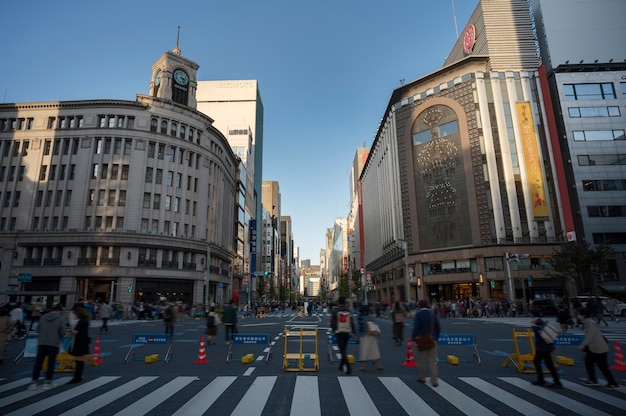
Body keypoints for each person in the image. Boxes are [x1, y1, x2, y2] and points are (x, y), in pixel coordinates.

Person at [577, 308, 619, 389]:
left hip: (599, 348)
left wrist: (582, 345)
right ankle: (593, 380)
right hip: (593, 348)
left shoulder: (590, 324)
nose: (578, 316)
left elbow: (589, 337)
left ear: (584, 315)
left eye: (580, 314)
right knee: (588, 363)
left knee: (603, 367)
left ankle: (613, 383)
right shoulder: (587, 323)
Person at [29, 304, 68, 390]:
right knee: (51, 363)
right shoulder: (61, 318)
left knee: (38, 363)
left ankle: (34, 382)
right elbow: (63, 332)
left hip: (42, 342)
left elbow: (38, 329)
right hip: (53, 343)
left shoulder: (43, 317)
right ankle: (48, 382)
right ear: (60, 311)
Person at [529, 307, 562, 388]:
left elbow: (542, 335)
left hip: (543, 347)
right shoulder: (539, 321)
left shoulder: (537, 322)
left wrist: (534, 325)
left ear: (533, 314)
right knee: (546, 363)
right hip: (545, 346)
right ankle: (551, 380)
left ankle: (544, 380)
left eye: (531, 314)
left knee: (539, 362)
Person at [412, 299, 441, 386]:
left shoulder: (418, 314)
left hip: (422, 340)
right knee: (433, 361)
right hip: (432, 339)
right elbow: (438, 327)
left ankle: (422, 377)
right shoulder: (432, 314)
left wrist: (414, 339)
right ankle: (434, 380)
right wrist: (436, 337)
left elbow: (416, 328)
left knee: (422, 360)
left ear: (419, 306)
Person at [330, 296, 357, 374]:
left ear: (338, 302)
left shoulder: (336, 311)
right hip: (347, 331)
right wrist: (354, 332)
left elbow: (333, 322)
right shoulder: (348, 311)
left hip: (339, 331)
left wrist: (333, 330)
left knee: (342, 350)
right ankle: (341, 365)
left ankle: (348, 367)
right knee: (344, 348)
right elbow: (351, 322)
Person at [357, 304, 384, 371]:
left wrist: (357, 334)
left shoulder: (360, 317)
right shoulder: (370, 316)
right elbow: (375, 325)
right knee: (374, 350)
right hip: (371, 335)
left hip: (364, 335)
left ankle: (363, 366)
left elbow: (358, 327)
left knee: (364, 351)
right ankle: (379, 365)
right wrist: (378, 333)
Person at [68, 306, 90, 384]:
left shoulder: (81, 322)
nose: (74, 316)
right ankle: (78, 376)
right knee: (79, 359)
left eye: (75, 314)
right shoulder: (85, 320)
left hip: (79, 342)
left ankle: (77, 377)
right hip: (83, 341)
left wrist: (70, 330)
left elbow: (76, 332)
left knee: (78, 359)